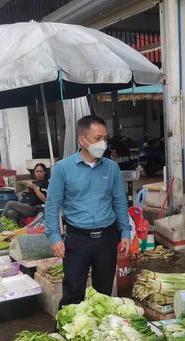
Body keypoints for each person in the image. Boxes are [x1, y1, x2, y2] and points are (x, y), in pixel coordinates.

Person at [45, 115, 131, 307]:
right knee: (73, 292)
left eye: (105, 138)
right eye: (97, 138)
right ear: (82, 140)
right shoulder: (62, 168)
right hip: (77, 240)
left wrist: (125, 231)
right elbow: (52, 205)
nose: (102, 143)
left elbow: (119, 201)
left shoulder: (112, 168)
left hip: (107, 238)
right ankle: (66, 331)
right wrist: (53, 235)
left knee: (103, 294)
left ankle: (100, 333)